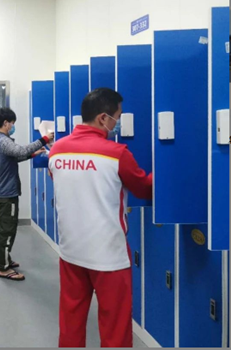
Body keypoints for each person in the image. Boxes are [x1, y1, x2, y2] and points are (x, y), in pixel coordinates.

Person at [48, 88, 152, 348]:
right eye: (118, 116)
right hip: (109, 255)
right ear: (103, 118)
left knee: (70, 321)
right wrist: (167, 168)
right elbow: (144, 189)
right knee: (115, 327)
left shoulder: (57, 150)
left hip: (71, 251)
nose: (118, 123)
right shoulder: (117, 154)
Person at [0, 107, 54, 281]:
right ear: (6, 123)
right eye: (12, 123)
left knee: (7, 229)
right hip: (6, 195)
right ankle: (3, 267)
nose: (13, 126)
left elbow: (15, 157)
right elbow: (19, 151)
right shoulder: (3, 141)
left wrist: (33, 154)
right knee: (7, 231)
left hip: (3, 193)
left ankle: (5, 258)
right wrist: (44, 139)